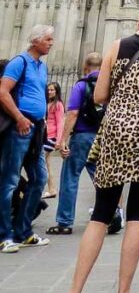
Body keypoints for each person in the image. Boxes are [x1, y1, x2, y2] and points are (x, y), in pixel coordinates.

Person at [51, 2, 139, 293]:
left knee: (100, 213)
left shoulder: (116, 46)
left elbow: (97, 96)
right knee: (137, 213)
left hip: (116, 130)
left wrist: (125, 99)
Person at [0, 24, 55, 253]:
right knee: (9, 181)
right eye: (49, 40)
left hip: (36, 128)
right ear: (36, 41)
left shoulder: (41, 67)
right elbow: (3, 92)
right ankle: (5, 235)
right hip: (20, 128)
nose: (51, 43)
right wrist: (19, 118)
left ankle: (23, 231)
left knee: (39, 179)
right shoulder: (18, 62)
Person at [47, 53, 105, 236]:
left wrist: (63, 139)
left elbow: (72, 114)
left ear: (85, 67)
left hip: (81, 137)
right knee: (103, 179)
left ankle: (64, 222)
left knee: (70, 178)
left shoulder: (81, 85)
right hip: (101, 137)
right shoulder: (108, 87)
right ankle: (109, 218)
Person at [43, 81, 65, 199]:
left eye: (52, 90)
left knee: (42, 162)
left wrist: (59, 141)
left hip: (51, 137)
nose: (50, 92)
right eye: (49, 89)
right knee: (46, 163)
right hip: (44, 135)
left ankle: (50, 188)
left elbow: (61, 122)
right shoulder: (47, 103)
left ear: (57, 92)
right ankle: (51, 189)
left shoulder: (58, 105)